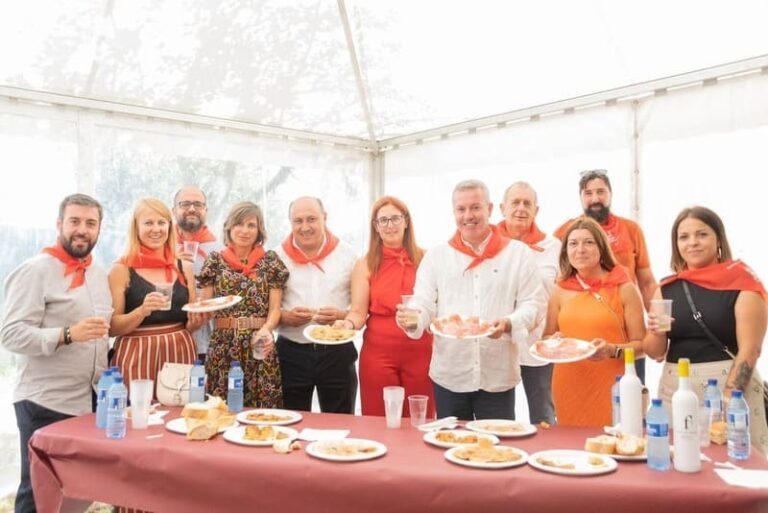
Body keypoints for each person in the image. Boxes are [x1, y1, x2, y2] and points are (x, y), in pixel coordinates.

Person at [396, 179, 546, 421]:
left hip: (497, 375)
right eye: (461, 209)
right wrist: (412, 318)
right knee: (449, 449)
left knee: (496, 452)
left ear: (489, 209)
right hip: (450, 374)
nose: (468, 215)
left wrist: (509, 323)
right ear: (454, 213)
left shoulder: (517, 254)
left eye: (475, 207)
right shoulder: (437, 257)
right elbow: (422, 302)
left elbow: (533, 304)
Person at [1, 194, 111, 513]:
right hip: (44, 402)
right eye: (75, 221)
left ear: (99, 229)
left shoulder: (99, 274)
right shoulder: (35, 270)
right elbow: (10, 334)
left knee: (76, 492)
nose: (82, 230)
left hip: (87, 401)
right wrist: (66, 334)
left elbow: (101, 331)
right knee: (39, 494)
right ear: (59, 224)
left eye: (90, 224)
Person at [643, 206, 768, 453]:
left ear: (718, 238)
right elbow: (655, 351)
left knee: (738, 466)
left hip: (729, 391)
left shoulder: (743, 283)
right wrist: (656, 331)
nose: (693, 243)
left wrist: (729, 399)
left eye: (702, 234)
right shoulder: (667, 289)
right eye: (684, 237)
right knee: (676, 462)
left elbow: (750, 350)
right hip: (676, 389)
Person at [554, 169, 656, 383]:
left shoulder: (631, 229)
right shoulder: (564, 231)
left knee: (629, 399)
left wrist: (658, 331)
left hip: (625, 326)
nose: (595, 198)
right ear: (581, 198)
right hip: (580, 334)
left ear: (610, 194)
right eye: (588, 193)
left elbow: (646, 282)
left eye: (601, 192)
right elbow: (558, 281)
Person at [337, 196, 434, 418]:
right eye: (383, 220)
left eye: (395, 219)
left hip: (421, 353)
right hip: (378, 355)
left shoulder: (427, 259)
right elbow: (359, 312)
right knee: (378, 419)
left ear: (406, 221)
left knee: (420, 419)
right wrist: (348, 323)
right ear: (375, 226)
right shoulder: (365, 264)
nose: (390, 225)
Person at [543, 217, 646, 427]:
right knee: (571, 450)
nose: (580, 249)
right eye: (573, 243)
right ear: (565, 252)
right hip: (568, 384)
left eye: (588, 242)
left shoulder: (624, 287)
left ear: (601, 248)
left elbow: (642, 346)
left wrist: (612, 350)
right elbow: (546, 337)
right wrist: (554, 342)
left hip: (613, 385)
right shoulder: (559, 290)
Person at [197, 201, 289, 407]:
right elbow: (206, 305)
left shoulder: (270, 262)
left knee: (262, 409)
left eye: (251, 225)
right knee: (220, 408)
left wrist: (266, 330)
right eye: (239, 224)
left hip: (259, 341)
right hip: (223, 343)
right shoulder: (215, 261)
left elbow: (275, 309)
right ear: (229, 227)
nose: (245, 231)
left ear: (259, 230)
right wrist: (200, 309)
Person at [108, 198, 205, 389]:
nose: (156, 229)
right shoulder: (120, 269)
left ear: (170, 226)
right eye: (148, 223)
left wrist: (198, 320)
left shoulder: (183, 267)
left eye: (162, 222)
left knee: (180, 415)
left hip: (180, 352)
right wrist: (142, 311)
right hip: (136, 354)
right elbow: (112, 327)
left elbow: (190, 322)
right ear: (136, 227)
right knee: (136, 415)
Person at [275, 197, 358, 413]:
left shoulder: (348, 255)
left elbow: (361, 310)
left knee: (341, 422)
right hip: (290, 352)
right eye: (298, 221)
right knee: (290, 422)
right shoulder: (276, 257)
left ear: (325, 218)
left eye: (311, 219)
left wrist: (341, 315)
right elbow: (267, 309)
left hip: (337, 353)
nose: (305, 227)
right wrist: (285, 317)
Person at [498, 181, 561, 425]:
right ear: (503, 208)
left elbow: (562, 293)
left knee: (543, 414)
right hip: (500, 343)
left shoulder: (553, 247)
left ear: (537, 210)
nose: (521, 208)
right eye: (515, 203)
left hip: (538, 344)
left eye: (527, 203)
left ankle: (547, 457)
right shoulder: (488, 243)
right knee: (499, 417)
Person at [173, 186, 221, 362]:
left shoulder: (220, 250)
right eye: (185, 204)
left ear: (206, 210)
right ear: (174, 210)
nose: (192, 209)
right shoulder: (163, 246)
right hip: (173, 339)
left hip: (211, 343)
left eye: (198, 204)